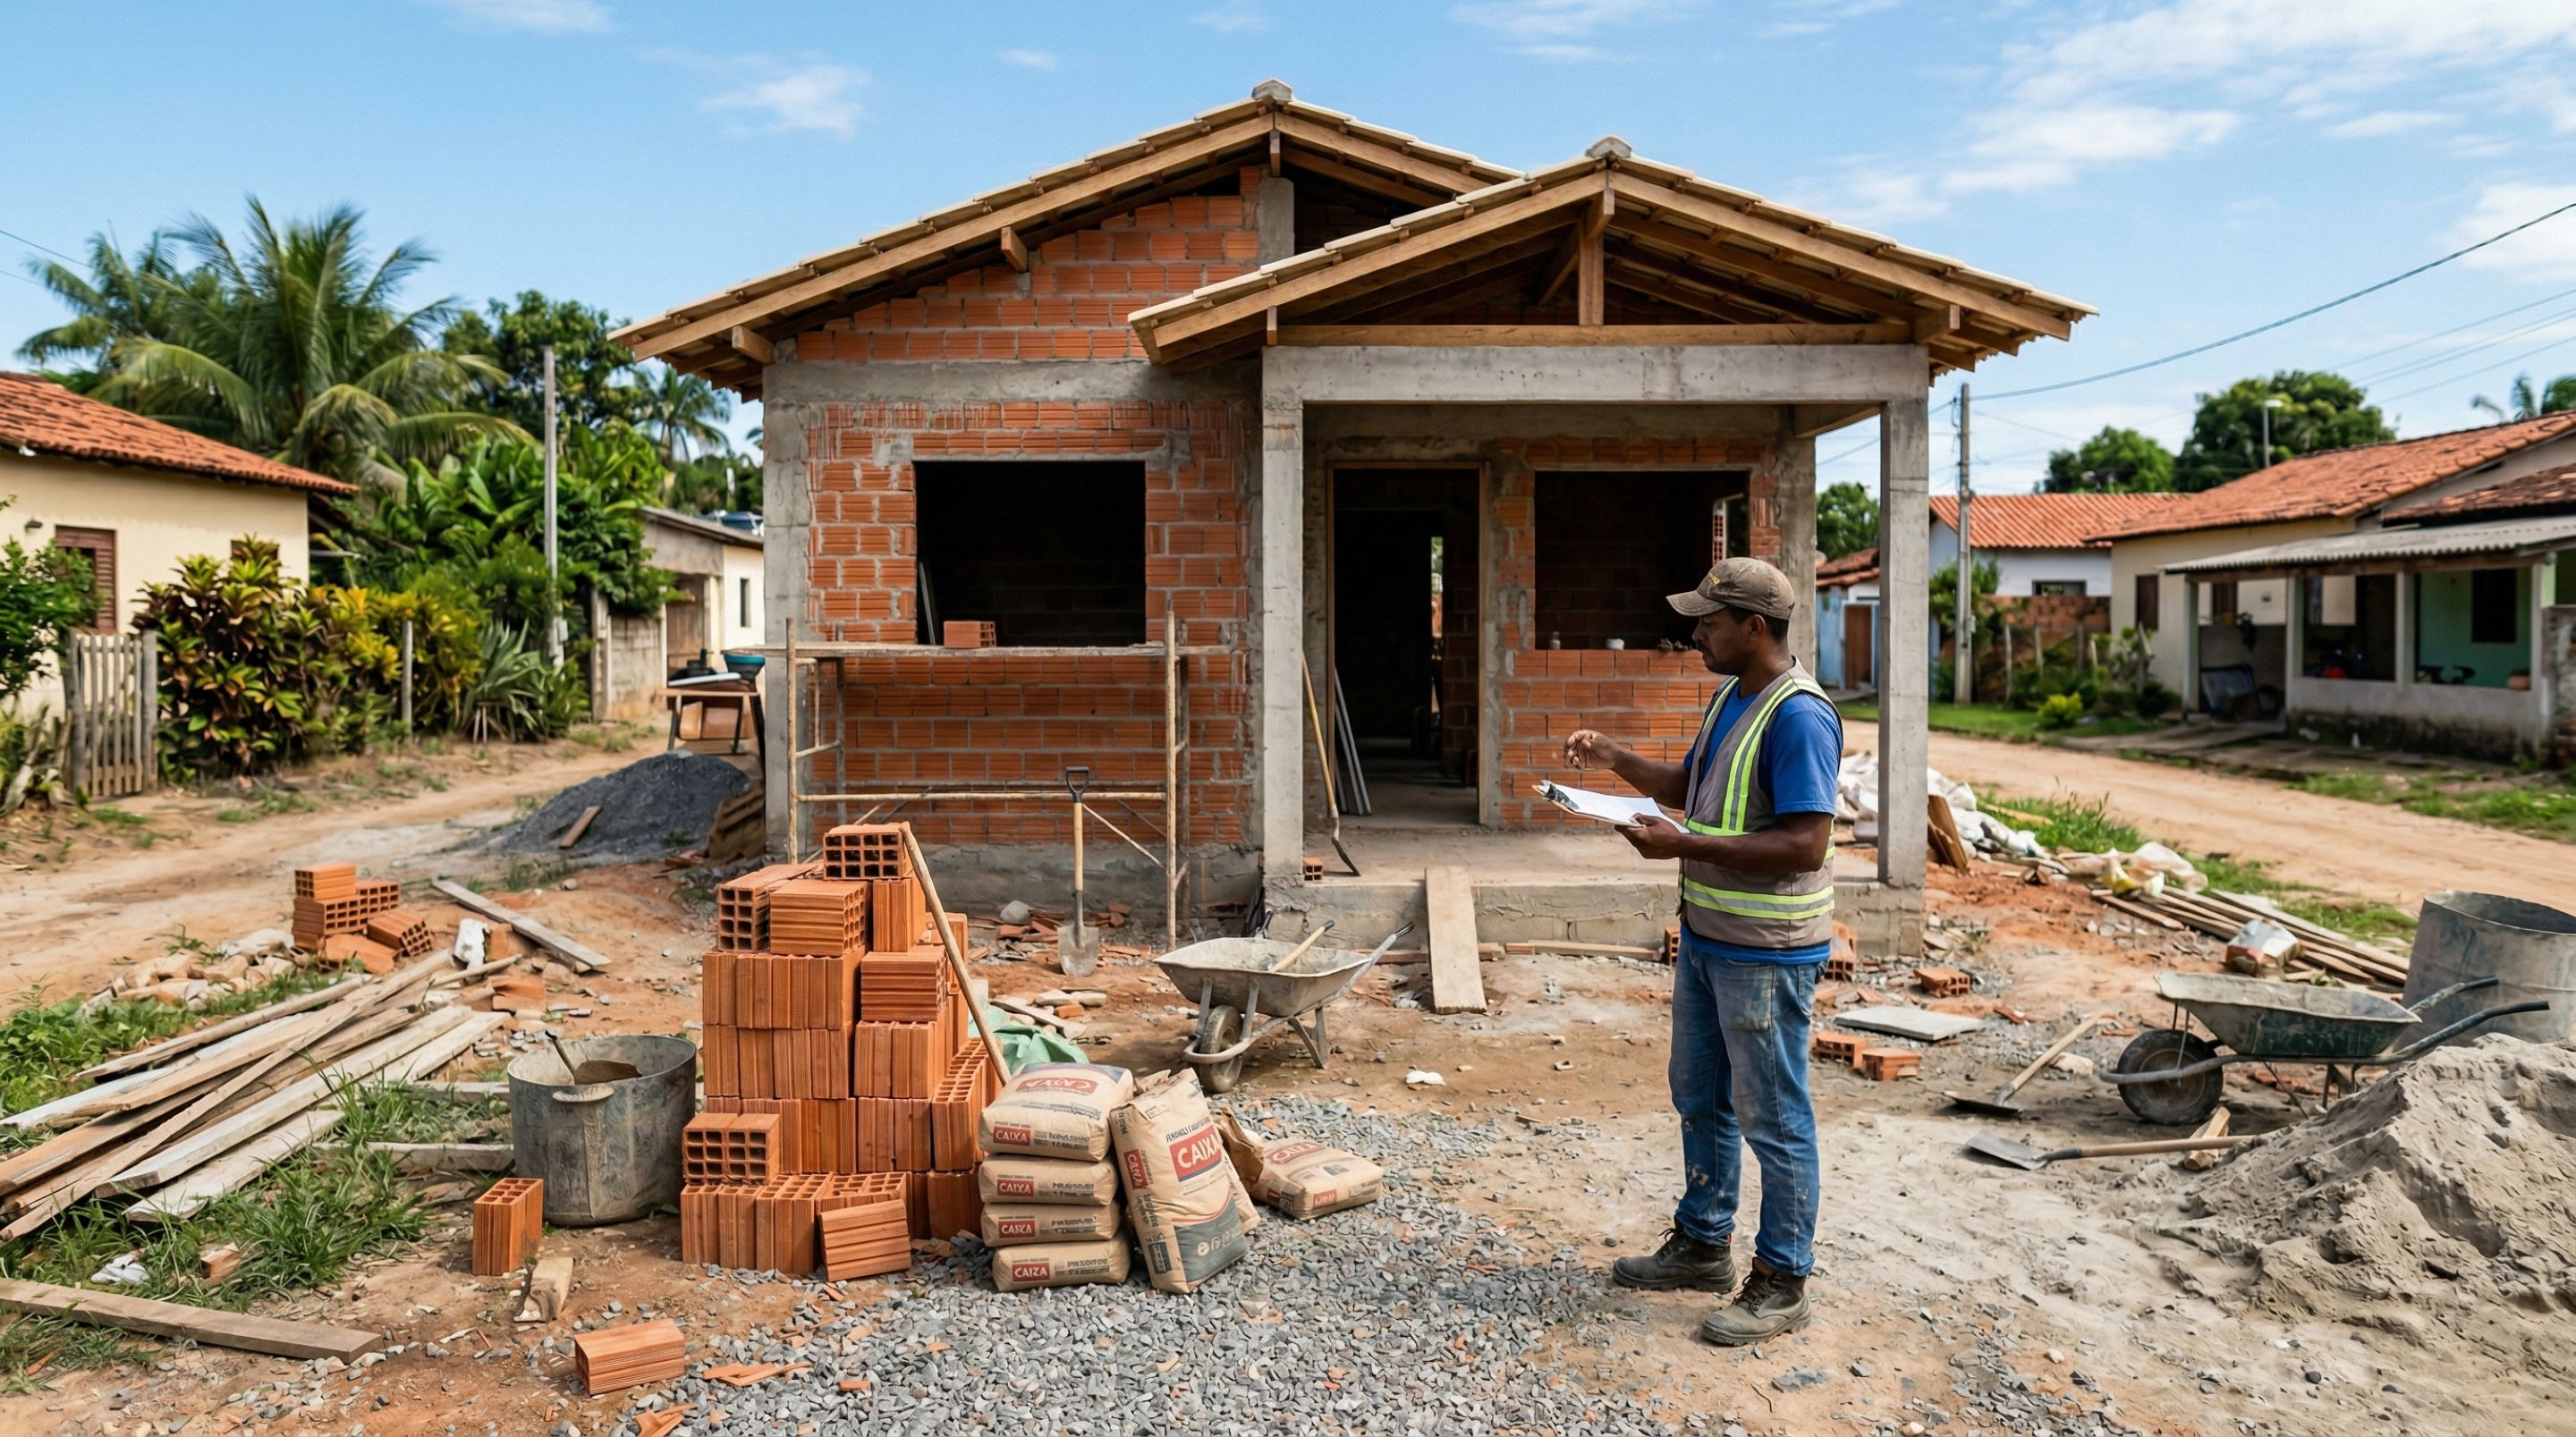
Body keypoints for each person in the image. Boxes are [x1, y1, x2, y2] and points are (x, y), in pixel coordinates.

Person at [1562, 555, 1842, 1347]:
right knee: (1701, 1095)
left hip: (1766, 952)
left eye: (1709, 621)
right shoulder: (1733, 695)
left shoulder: (1799, 716)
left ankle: (1784, 1278)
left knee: (1775, 1117)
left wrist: (1686, 845)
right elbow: (1691, 785)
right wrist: (1618, 759)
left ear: (1755, 627)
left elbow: (1806, 841)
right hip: (1713, 939)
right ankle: (1703, 1242)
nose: (1696, 633)